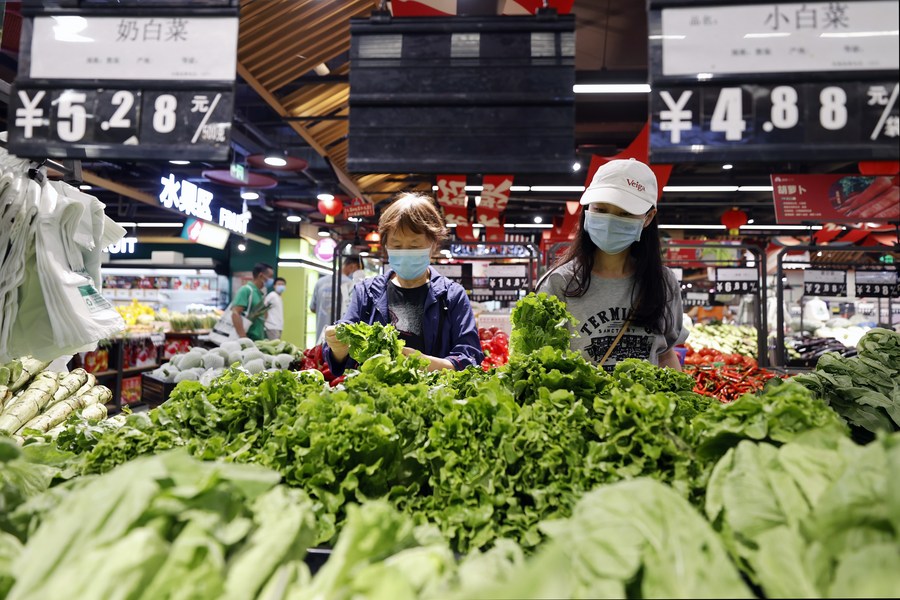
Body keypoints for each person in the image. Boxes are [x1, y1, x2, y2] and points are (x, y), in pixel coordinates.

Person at [537, 158, 687, 371]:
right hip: (580, 404)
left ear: (648, 217)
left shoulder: (663, 282)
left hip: (647, 404)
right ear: (587, 210)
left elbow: (665, 354)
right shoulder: (559, 283)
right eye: (600, 209)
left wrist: (679, 397)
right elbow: (541, 362)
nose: (609, 221)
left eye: (625, 213)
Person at [323, 192, 483, 374]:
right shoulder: (366, 292)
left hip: (437, 398)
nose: (405, 252)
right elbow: (340, 363)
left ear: (433, 245)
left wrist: (424, 364)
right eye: (397, 246)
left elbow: (470, 358)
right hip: (378, 399)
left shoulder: (452, 296)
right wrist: (338, 347)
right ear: (386, 246)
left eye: (414, 246)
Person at [310, 256, 363, 344]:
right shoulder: (351, 285)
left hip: (321, 335)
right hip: (340, 337)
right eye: (358, 271)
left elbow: (313, 308)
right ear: (353, 266)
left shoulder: (320, 282)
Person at [232, 262, 273, 341]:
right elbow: (235, 313)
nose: (271, 280)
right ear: (261, 275)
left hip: (258, 340)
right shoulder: (246, 290)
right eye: (270, 277)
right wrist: (243, 338)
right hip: (248, 339)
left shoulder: (260, 293)